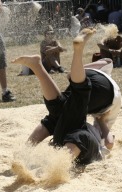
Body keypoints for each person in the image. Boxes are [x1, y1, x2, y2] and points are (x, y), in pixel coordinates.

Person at [12, 28, 105, 165]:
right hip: (71, 142)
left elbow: (108, 140)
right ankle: (39, 66)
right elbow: (108, 140)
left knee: (67, 103)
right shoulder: (83, 129)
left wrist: (100, 122)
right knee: (59, 111)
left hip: (75, 139)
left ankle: (40, 66)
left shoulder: (85, 128)